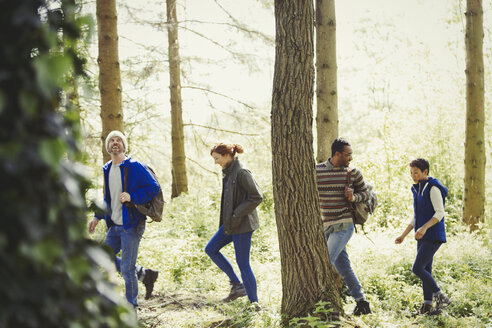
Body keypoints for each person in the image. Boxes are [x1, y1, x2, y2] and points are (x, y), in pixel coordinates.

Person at [88, 130, 160, 308]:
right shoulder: (107, 168)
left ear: (123, 145)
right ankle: (144, 275)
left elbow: (153, 187)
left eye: (118, 140)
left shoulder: (134, 166)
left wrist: (132, 196)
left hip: (132, 225)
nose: (115, 142)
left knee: (127, 269)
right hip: (114, 226)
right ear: (108, 147)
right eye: (111, 140)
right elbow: (108, 198)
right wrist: (97, 217)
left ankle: (131, 309)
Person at [316, 138, 371, 315]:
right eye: (348, 154)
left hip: (344, 224)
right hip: (325, 225)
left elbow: (366, 194)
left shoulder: (353, 173)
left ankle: (323, 304)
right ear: (337, 154)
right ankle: (362, 302)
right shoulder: (317, 171)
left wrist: (353, 197)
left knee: (325, 261)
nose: (351, 158)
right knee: (343, 267)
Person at [205, 143, 262, 307]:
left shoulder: (242, 172)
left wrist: (237, 213)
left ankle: (254, 304)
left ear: (227, 155)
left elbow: (256, 197)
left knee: (243, 263)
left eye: (217, 158)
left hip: (242, 225)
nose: (216, 162)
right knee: (211, 249)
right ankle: (237, 285)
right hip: (230, 224)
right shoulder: (228, 173)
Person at [395, 158, 451, 315]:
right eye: (411, 173)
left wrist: (425, 227)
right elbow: (417, 216)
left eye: (416, 172)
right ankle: (427, 306)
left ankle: (441, 296)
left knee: (417, 268)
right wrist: (403, 235)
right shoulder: (418, 189)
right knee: (426, 269)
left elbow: (439, 213)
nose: (413, 175)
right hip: (422, 235)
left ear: (425, 172)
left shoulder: (433, 188)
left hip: (433, 235)